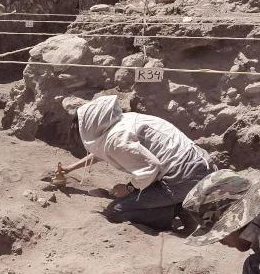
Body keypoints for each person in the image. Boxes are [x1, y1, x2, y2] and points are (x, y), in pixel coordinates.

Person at [56, 94, 215, 231]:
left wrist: (128, 188)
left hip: (183, 177)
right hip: (198, 163)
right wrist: (70, 168)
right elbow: (103, 151)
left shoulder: (117, 139)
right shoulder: (121, 121)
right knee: (138, 195)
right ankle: (176, 202)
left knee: (116, 211)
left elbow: (151, 168)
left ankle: (175, 209)